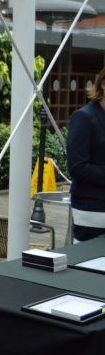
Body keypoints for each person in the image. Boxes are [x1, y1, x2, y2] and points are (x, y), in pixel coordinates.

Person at [67, 68, 105, 242]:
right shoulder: (83, 117)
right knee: (87, 264)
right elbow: (77, 166)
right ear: (103, 84)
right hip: (92, 209)